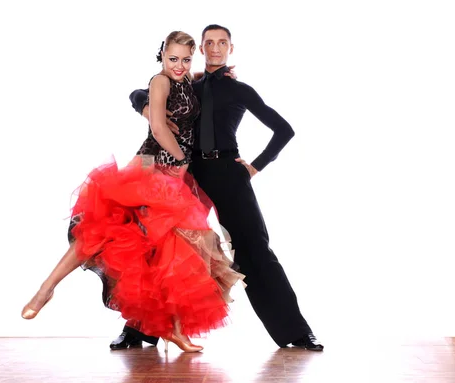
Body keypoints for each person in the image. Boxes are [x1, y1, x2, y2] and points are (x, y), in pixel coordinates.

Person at [20, 30, 245, 353]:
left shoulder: (184, 80)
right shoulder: (160, 81)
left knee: (179, 250)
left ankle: (174, 329)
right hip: (151, 166)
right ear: (161, 56)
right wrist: (181, 157)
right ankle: (46, 289)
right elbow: (157, 126)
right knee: (103, 230)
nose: (179, 65)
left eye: (185, 59)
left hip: (174, 178)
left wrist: (209, 73)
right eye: (173, 59)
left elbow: (194, 86)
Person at [115, 24, 324, 351]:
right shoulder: (185, 82)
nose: (215, 47)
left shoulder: (239, 90)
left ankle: (296, 332)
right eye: (209, 42)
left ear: (230, 48)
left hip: (226, 171)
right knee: (163, 248)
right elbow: (137, 94)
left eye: (221, 42)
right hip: (185, 170)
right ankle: (138, 331)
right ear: (200, 48)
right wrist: (147, 110)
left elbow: (284, 130)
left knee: (254, 248)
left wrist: (255, 166)